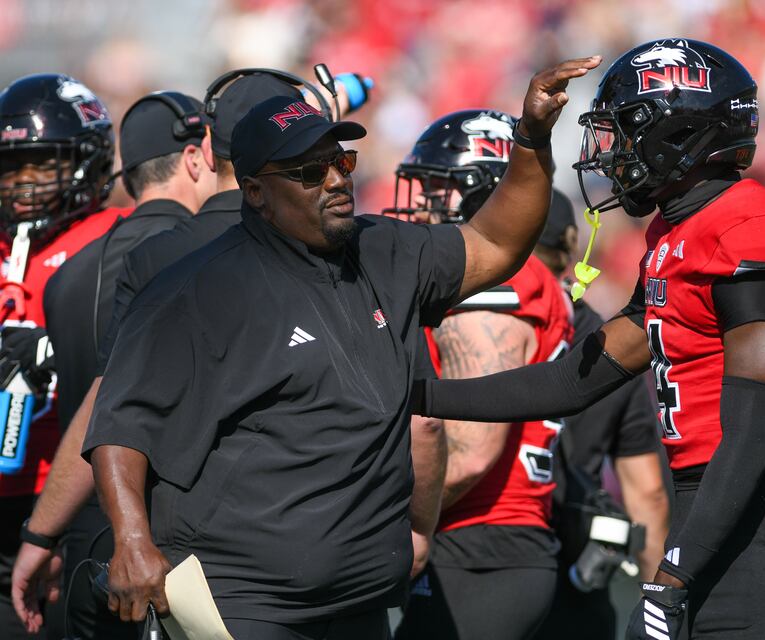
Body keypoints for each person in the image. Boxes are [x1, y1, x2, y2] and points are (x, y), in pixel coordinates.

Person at [82, 57, 602, 640]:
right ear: (254, 191)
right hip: (245, 605)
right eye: (308, 171)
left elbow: (496, 242)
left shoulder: (385, 249)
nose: (335, 180)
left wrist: (530, 137)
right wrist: (131, 539)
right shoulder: (196, 288)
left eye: (340, 161)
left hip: (360, 604)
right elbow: (119, 425)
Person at [417, 39, 765, 640]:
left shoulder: (751, 222)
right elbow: (572, 380)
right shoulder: (675, 235)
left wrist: (676, 571)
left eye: (626, 132)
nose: (613, 152)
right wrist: (420, 395)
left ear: (677, 134)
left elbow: (754, 422)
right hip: (715, 507)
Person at [12, 89, 214, 639]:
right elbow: (111, 406)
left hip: (79, 540)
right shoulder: (207, 254)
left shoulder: (67, 272)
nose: (23, 181)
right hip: (178, 546)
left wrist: (40, 533)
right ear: (197, 160)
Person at [390, 109, 573, 640]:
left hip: (480, 546)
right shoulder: (515, 276)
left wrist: (376, 525)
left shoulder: (491, 287)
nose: (421, 200)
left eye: (437, 187)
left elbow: (471, 450)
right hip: (490, 545)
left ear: (486, 192)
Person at [0, 73, 130, 639]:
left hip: (70, 497)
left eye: (42, 164)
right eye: (12, 167)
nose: (23, 182)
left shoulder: (118, 242)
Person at [532, 190, 669, 640]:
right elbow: (646, 494)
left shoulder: (473, 324)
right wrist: (662, 606)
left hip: (483, 567)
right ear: (571, 246)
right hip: (580, 572)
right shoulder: (612, 343)